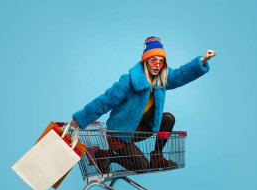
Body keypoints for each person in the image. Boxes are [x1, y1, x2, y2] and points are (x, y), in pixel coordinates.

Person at [71, 36, 216, 173]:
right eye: (153, 60)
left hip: (139, 129)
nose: (158, 65)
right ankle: (105, 156)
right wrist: (81, 119)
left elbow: (181, 74)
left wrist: (202, 60)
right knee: (143, 167)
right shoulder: (128, 81)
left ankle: (157, 157)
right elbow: (104, 100)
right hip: (120, 134)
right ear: (145, 61)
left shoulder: (162, 78)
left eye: (161, 61)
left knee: (168, 119)